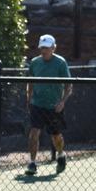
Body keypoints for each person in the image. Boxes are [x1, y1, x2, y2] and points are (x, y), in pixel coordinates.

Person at [24, 34, 72, 176]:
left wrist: (62, 102)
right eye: (42, 48)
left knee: (55, 135)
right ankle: (32, 163)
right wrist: (29, 99)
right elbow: (30, 82)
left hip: (54, 107)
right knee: (34, 132)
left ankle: (61, 154)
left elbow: (69, 85)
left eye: (46, 48)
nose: (43, 51)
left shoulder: (61, 63)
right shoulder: (35, 63)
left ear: (53, 48)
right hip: (37, 104)